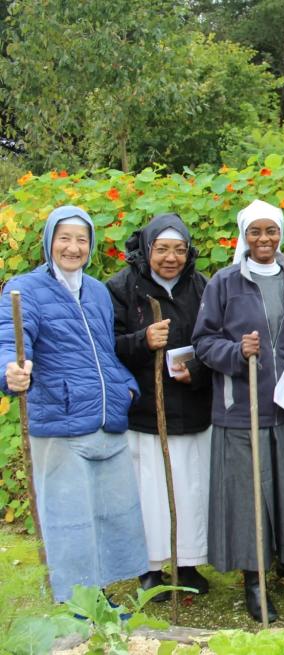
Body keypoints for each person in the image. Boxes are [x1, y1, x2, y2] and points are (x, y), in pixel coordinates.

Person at [0, 205, 147, 602]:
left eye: (81, 239)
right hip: (60, 419)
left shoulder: (97, 291)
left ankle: (98, 596)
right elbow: (11, 341)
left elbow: (104, 351)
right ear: (49, 241)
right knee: (69, 522)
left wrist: (125, 386)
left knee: (108, 518)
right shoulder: (24, 289)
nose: (73, 247)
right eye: (64, 237)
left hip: (105, 419)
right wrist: (11, 372)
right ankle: (75, 606)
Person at [192, 199, 284, 622]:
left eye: (271, 231)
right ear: (243, 236)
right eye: (255, 232)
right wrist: (235, 351)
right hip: (241, 409)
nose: (264, 240)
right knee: (251, 497)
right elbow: (203, 342)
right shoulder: (225, 283)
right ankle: (254, 578)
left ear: (281, 234)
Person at [106, 213, 213, 599]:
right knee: (149, 494)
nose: (171, 257)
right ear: (147, 248)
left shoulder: (202, 287)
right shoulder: (122, 288)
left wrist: (198, 370)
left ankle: (186, 562)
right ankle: (149, 569)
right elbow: (108, 345)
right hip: (146, 412)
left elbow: (214, 340)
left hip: (192, 406)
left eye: (179, 249)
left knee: (190, 491)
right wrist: (142, 340)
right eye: (162, 249)